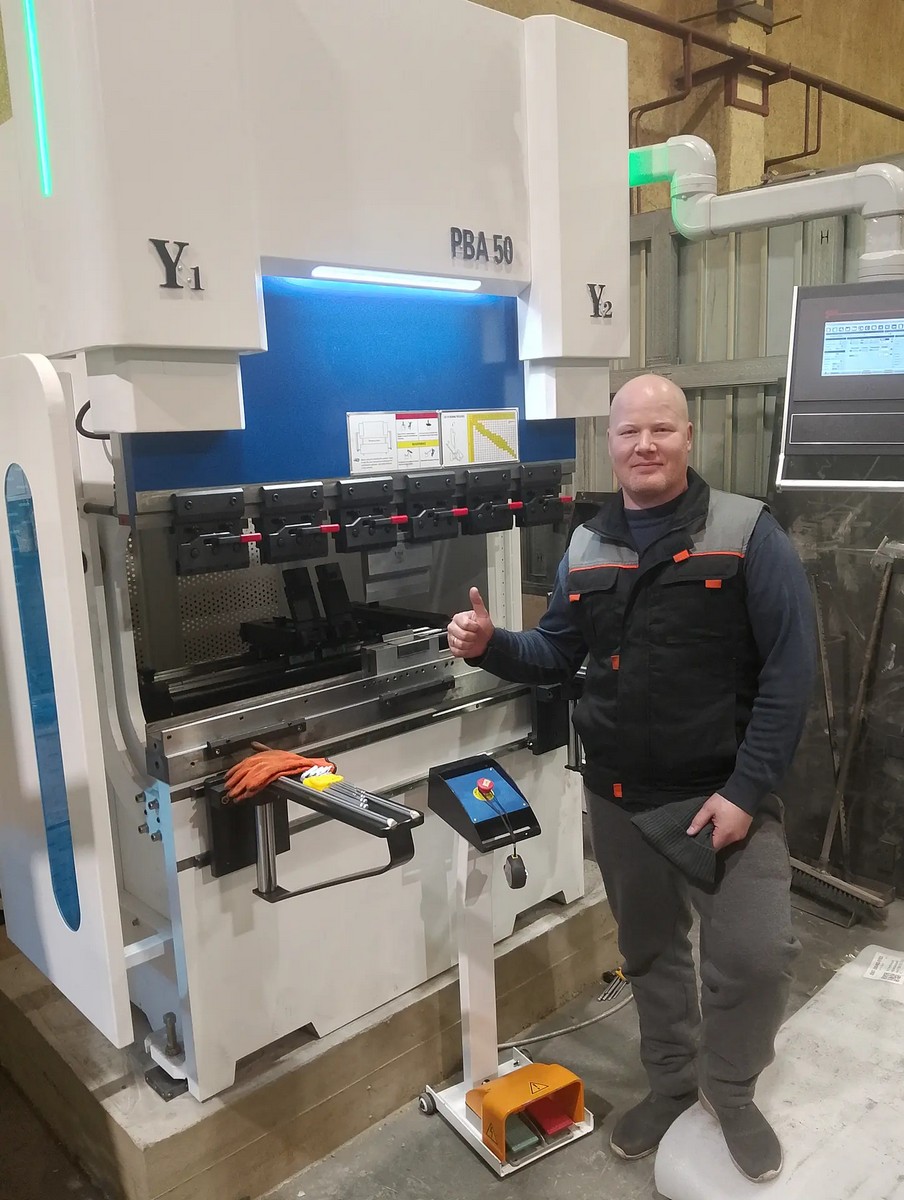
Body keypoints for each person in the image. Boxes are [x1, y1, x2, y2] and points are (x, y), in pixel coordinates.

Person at [447, 374, 815, 1184]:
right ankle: (673, 1083)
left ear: (688, 437)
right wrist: (489, 644)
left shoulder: (747, 532)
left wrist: (746, 792)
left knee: (757, 957)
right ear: (609, 445)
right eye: (628, 433)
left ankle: (730, 1092)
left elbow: (791, 674)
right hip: (618, 796)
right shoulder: (586, 545)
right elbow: (556, 651)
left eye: (661, 430)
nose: (645, 445)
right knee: (651, 953)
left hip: (723, 796)